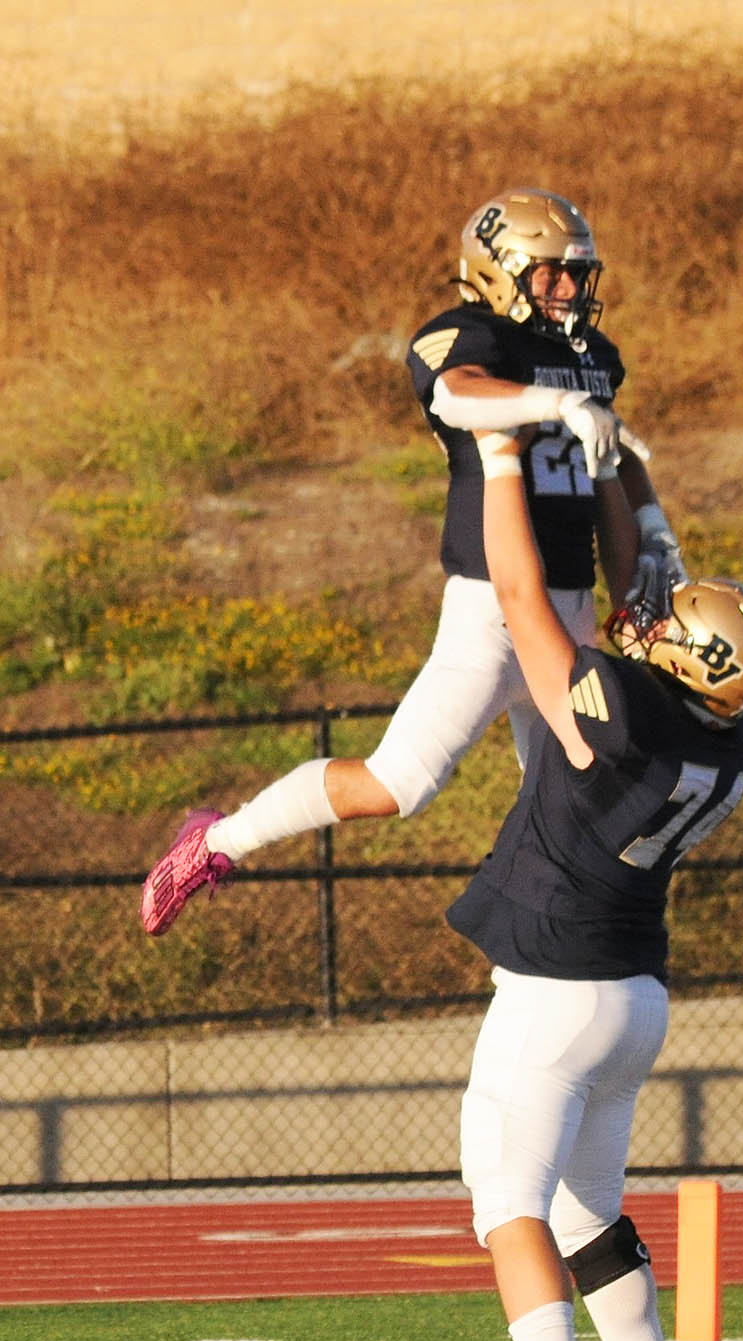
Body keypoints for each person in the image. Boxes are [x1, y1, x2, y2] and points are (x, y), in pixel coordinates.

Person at [141, 187, 684, 936]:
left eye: (576, 275)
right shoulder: (468, 336)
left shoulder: (591, 357)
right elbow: (459, 397)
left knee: (579, 804)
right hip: (494, 608)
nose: (569, 291)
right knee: (400, 783)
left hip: (573, 604)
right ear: (499, 271)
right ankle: (216, 841)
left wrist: (656, 532)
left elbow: (613, 457)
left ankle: (541, 953)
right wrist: (552, 404)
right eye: (550, 273)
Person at [447, 425, 743, 1341]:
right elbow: (669, 588)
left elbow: (513, 585)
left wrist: (500, 457)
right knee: (589, 1212)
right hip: (634, 989)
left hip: (559, 985)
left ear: (678, 664)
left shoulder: (623, 713)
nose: (649, 618)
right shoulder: (731, 731)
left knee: (506, 1196)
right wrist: (631, 477)